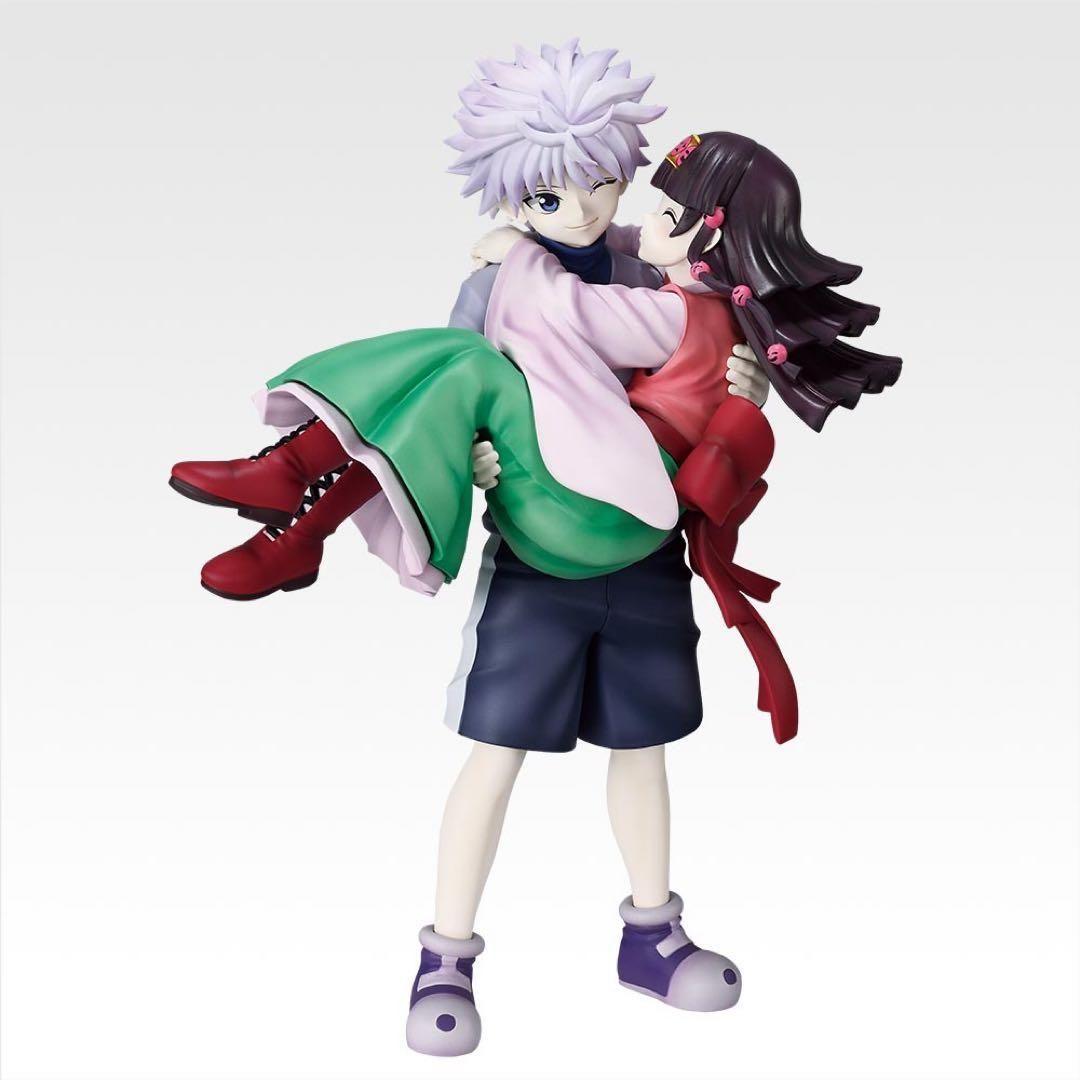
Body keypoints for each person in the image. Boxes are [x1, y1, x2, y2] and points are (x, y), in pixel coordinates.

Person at [170, 41, 900, 1058]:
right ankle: (446, 954)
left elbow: (636, 322)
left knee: (641, 747)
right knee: (494, 752)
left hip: (639, 546)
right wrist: (473, 450)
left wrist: (744, 393)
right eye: (552, 196)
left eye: (607, 183)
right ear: (515, 191)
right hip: (542, 546)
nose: (592, 211)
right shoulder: (543, 280)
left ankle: (651, 934)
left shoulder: (644, 278)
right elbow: (441, 397)